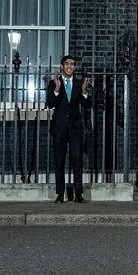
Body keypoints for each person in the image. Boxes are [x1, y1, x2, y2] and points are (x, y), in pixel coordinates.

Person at [46, 55, 92, 204]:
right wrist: (57, 90)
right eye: (67, 64)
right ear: (61, 66)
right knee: (59, 161)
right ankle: (60, 194)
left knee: (77, 160)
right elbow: (50, 104)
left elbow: (87, 105)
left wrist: (85, 92)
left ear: (75, 67)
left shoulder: (79, 84)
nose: (70, 66)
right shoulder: (54, 83)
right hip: (59, 127)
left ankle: (78, 194)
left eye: (72, 64)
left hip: (75, 128)